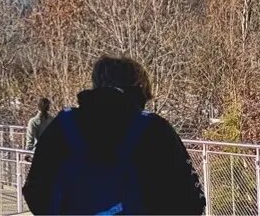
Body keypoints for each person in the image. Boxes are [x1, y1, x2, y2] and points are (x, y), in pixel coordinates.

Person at [22, 55, 206, 215]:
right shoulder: (154, 129)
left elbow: (34, 192)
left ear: (95, 85)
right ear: (139, 90)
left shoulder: (63, 125)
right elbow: (190, 201)